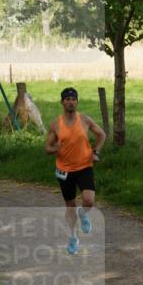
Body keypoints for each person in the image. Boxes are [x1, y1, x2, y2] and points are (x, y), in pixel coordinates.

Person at [45, 87, 106, 254]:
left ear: (77, 102)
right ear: (62, 102)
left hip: (84, 166)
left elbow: (102, 135)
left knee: (89, 201)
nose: (71, 102)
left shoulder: (85, 120)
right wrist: (54, 148)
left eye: (74, 99)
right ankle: (73, 238)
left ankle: (83, 213)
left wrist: (96, 152)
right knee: (70, 205)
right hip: (64, 170)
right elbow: (47, 147)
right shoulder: (56, 124)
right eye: (67, 99)